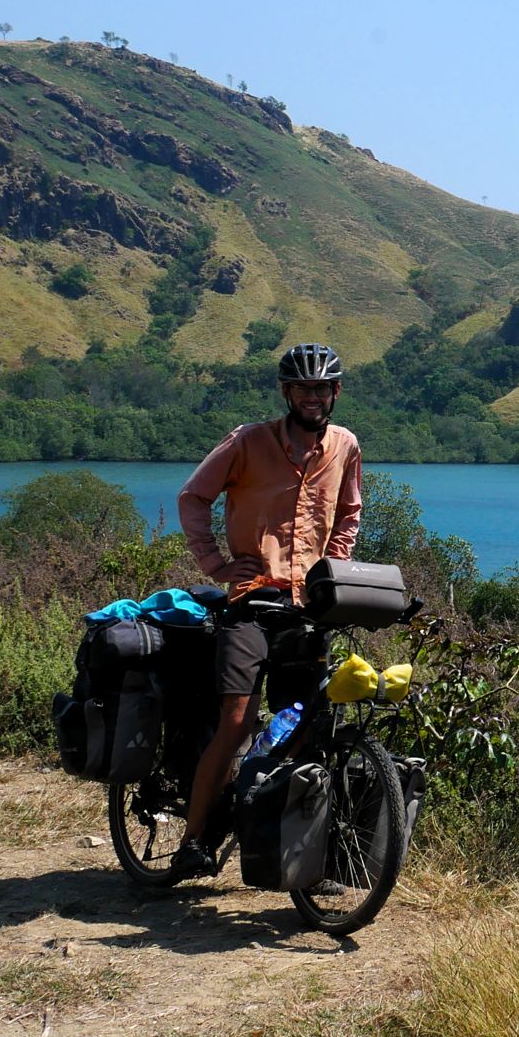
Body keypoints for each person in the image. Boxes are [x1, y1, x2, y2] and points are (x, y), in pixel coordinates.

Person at [167, 342, 364, 876]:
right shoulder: (248, 442)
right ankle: (192, 840)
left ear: (335, 392)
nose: (312, 398)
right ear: (286, 393)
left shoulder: (345, 446)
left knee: (305, 727)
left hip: (308, 610)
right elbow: (193, 497)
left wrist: (333, 570)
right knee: (237, 721)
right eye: (302, 388)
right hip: (251, 603)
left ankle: (295, 858)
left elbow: (349, 512)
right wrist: (215, 563)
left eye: (321, 388)